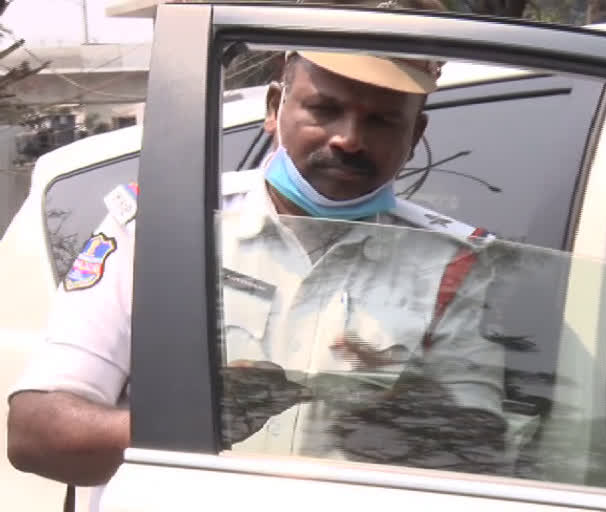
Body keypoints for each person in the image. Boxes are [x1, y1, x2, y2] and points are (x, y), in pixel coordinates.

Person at [7, 46, 507, 510]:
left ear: (415, 135)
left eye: (380, 120)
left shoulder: (452, 263)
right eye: (325, 109)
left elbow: (482, 456)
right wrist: (202, 425)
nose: (349, 138)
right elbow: (37, 436)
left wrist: (402, 414)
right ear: (275, 107)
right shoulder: (161, 224)